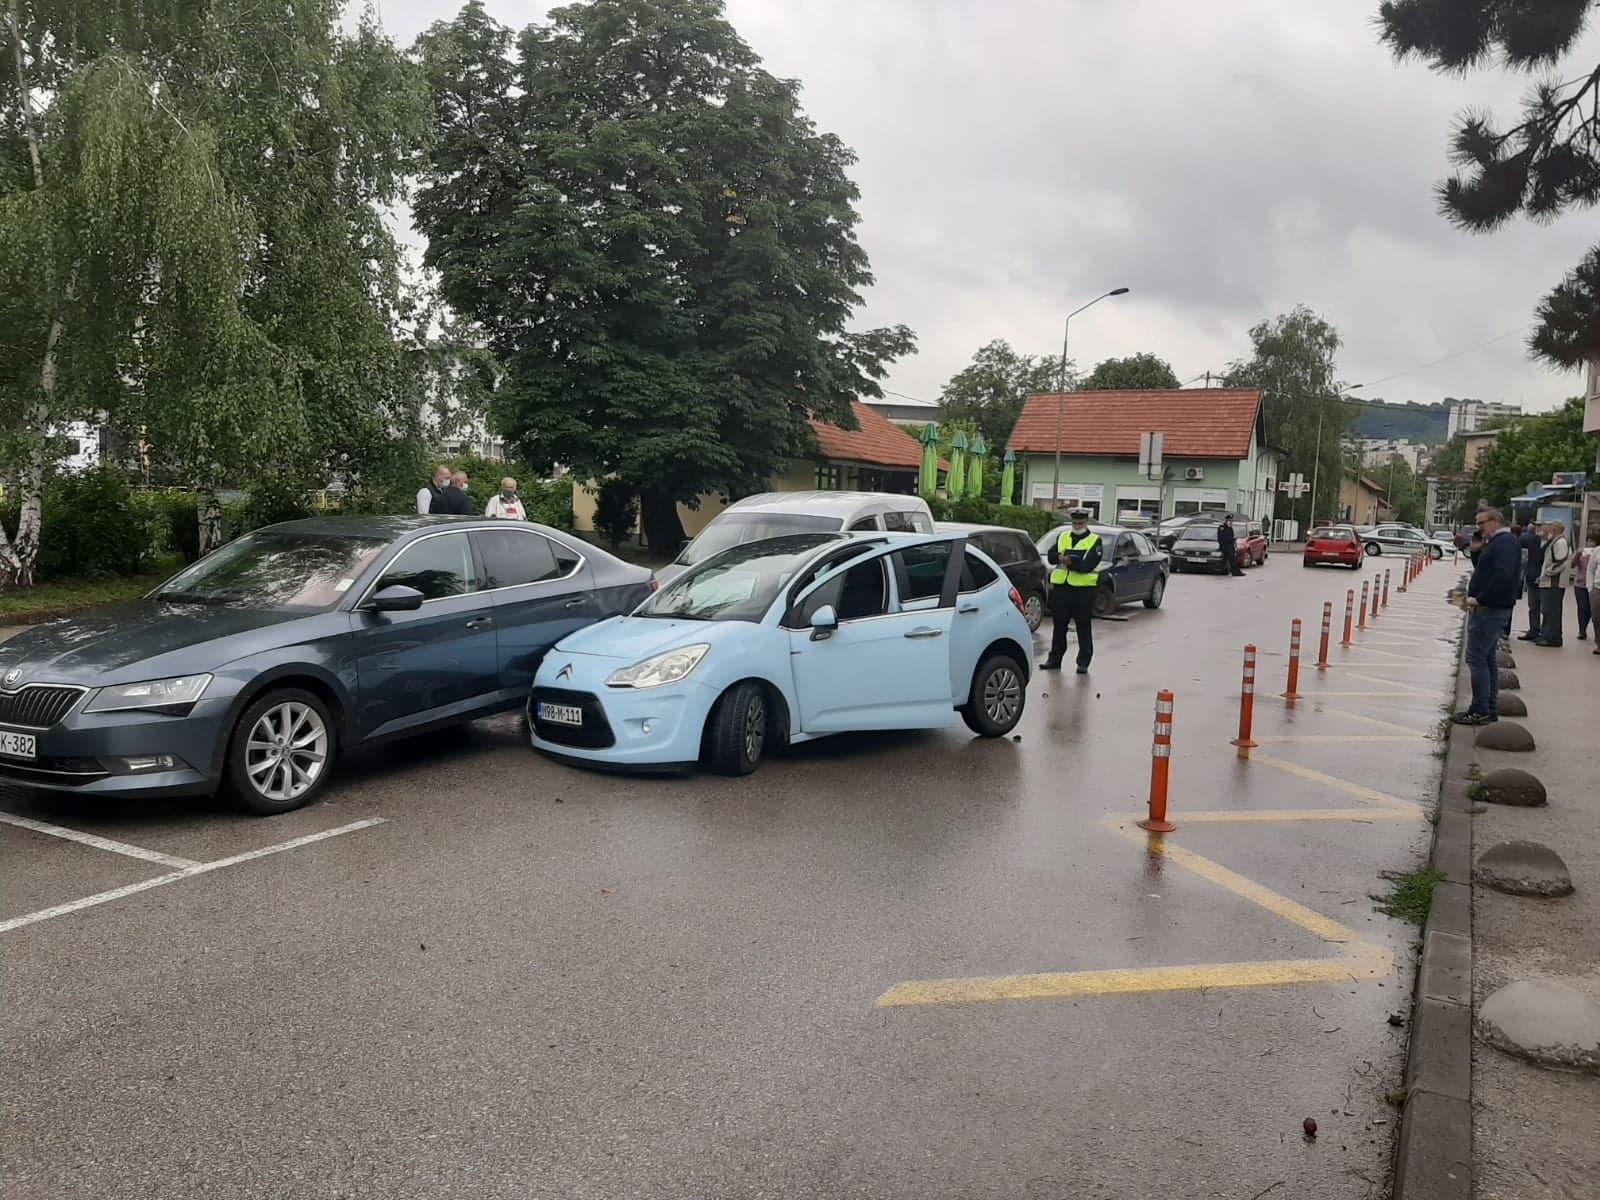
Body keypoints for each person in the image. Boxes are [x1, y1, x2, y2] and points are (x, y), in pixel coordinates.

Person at [1455, 508, 1519, 725]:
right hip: (1491, 607)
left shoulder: (1505, 543)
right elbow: (1486, 570)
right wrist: (1476, 551)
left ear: (1494, 521)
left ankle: (1481, 709)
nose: (1479, 528)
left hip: (1490, 609)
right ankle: (1487, 708)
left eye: (1481, 523)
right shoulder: (1497, 543)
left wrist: (1481, 598)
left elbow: (1503, 575)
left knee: (1476, 658)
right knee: (1487, 659)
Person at [1041, 508, 1103, 675]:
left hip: (1083, 591)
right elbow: (1051, 556)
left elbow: (1087, 565)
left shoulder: (1094, 541)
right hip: (1062, 589)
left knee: (1083, 627)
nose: (1077, 526)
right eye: (1075, 523)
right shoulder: (1063, 537)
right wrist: (1059, 558)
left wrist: (1068, 562)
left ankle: (1083, 662)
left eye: (1080, 523)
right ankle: (1054, 659)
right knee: (1059, 626)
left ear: (1086, 522)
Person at [1533, 520, 1572, 647]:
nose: (1547, 529)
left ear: (1554, 529)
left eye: (1549, 527)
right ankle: (1550, 636)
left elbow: (1560, 562)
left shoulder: (1560, 542)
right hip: (1550, 582)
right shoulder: (1556, 541)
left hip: (1553, 583)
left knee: (1550, 610)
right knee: (1549, 610)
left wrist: (1547, 573)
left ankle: (1550, 638)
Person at [1517, 521, 1545, 641]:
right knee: (1533, 607)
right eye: (1537, 526)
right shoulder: (1531, 540)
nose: (1538, 529)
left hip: (1545, 579)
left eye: (1540, 526)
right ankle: (1534, 631)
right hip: (1532, 577)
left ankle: (1543, 632)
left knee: (1545, 609)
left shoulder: (1552, 542)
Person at [1577, 529, 1599, 643]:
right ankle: (1582, 630)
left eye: (1592, 542)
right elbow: (1573, 565)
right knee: (1583, 608)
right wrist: (1578, 555)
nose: (1589, 544)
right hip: (1582, 584)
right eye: (1588, 541)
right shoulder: (1586, 553)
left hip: (1593, 585)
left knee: (1592, 610)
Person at [1588, 529, 1600, 657]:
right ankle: (1599, 643)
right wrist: (1590, 587)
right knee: (1597, 617)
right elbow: (1590, 570)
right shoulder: (1597, 551)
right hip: (1597, 589)